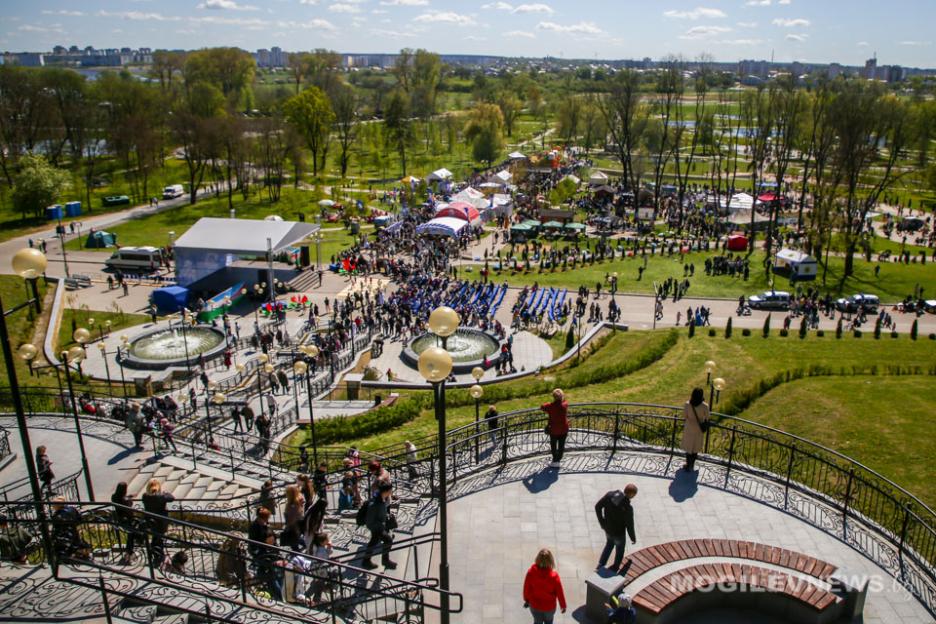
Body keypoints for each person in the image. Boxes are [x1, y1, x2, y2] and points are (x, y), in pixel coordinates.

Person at [594, 483, 638, 573]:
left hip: (608, 529)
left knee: (609, 545)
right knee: (620, 550)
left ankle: (601, 564)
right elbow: (630, 525)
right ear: (632, 495)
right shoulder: (628, 508)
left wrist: (602, 522)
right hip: (619, 534)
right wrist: (633, 538)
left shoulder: (609, 495)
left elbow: (597, 506)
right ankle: (615, 567)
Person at [522, 548, 567, 624]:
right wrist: (563, 605)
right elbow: (560, 593)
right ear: (550, 561)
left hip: (535, 605)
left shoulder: (531, 573)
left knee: (537, 621)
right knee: (549, 621)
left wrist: (526, 599)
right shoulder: (554, 577)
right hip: (549, 607)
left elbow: (526, 588)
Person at [362, 482, 396, 570]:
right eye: (390, 490)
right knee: (388, 540)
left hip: (378, 526)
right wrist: (379, 526)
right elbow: (370, 519)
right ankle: (384, 561)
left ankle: (366, 561)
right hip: (377, 527)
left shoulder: (380, 498)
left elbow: (380, 512)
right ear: (387, 491)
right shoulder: (376, 503)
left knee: (374, 542)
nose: (391, 492)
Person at [141, 479, 175, 566]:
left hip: (151, 520)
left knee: (155, 537)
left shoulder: (145, 496)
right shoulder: (161, 496)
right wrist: (165, 492)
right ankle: (158, 556)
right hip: (161, 521)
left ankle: (157, 555)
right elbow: (172, 498)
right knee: (159, 538)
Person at [681, 387, 710, 472]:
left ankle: (687, 464)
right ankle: (692, 464)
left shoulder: (687, 404)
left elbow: (684, 416)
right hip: (698, 429)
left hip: (689, 428)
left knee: (688, 446)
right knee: (695, 447)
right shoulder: (705, 406)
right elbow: (708, 417)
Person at [111, 482, 140, 565]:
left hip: (120, 520)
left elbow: (123, 498)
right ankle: (129, 552)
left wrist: (129, 497)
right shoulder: (125, 500)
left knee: (131, 535)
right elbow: (129, 506)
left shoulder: (114, 496)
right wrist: (129, 500)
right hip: (128, 521)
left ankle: (129, 552)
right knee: (133, 533)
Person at [541, 389, 569, 468]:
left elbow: (542, 406)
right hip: (564, 428)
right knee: (561, 445)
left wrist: (550, 403)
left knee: (553, 445)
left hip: (554, 429)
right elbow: (565, 401)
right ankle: (558, 460)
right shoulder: (565, 404)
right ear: (562, 397)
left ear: (553, 397)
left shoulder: (550, 406)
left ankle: (555, 461)